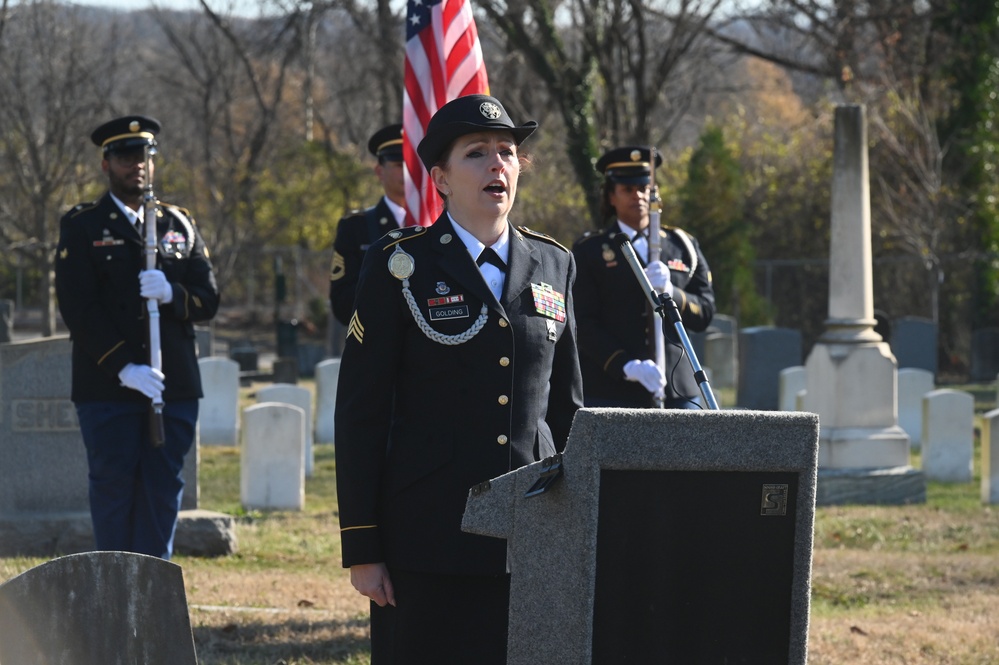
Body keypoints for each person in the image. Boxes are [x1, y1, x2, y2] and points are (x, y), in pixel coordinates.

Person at [334, 94, 583, 664]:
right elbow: (361, 413)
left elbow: (569, 412)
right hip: (428, 535)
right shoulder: (399, 264)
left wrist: (580, 527)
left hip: (533, 533)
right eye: (477, 153)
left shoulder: (555, 265)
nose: (497, 164)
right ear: (441, 179)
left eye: (507, 152)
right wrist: (363, 547)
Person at [55, 115, 220, 559]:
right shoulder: (84, 225)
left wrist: (173, 293)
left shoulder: (178, 224)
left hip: (174, 386)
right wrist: (124, 366)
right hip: (108, 387)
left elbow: (209, 299)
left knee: (163, 492)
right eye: (126, 157)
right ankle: (114, 595)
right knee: (113, 492)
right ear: (106, 164)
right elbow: (78, 308)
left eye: (145, 155)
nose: (138, 165)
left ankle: (152, 596)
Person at [572, 145, 715, 409]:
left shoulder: (683, 246)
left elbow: (705, 312)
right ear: (611, 196)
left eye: (644, 188)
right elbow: (582, 322)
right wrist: (626, 365)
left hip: (678, 392)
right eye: (628, 189)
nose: (638, 196)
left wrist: (672, 292)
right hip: (612, 389)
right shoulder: (589, 250)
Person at [329, 123, 407, 325]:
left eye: (414, 165)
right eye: (400, 165)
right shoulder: (356, 228)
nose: (408, 172)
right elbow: (342, 304)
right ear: (380, 172)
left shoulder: (442, 222)